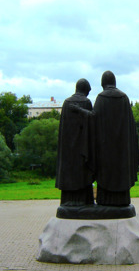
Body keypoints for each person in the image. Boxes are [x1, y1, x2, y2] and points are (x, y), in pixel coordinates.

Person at [92, 70, 139, 206]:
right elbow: (131, 126)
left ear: (103, 83)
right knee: (121, 172)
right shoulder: (123, 98)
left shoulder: (101, 98)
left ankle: (104, 201)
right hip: (122, 148)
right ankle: (122, 201)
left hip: (105, 148)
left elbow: (94, 123)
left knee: (105, 173)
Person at [56, 78, 94, 206]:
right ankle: (84, 201)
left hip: (68, 147)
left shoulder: (66, 103)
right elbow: (92, 123)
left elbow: (63, 128)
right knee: (83, 172)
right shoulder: (86, 102)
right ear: (85, 90)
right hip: (83, 147)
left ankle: (68, 201)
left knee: (69, 171)